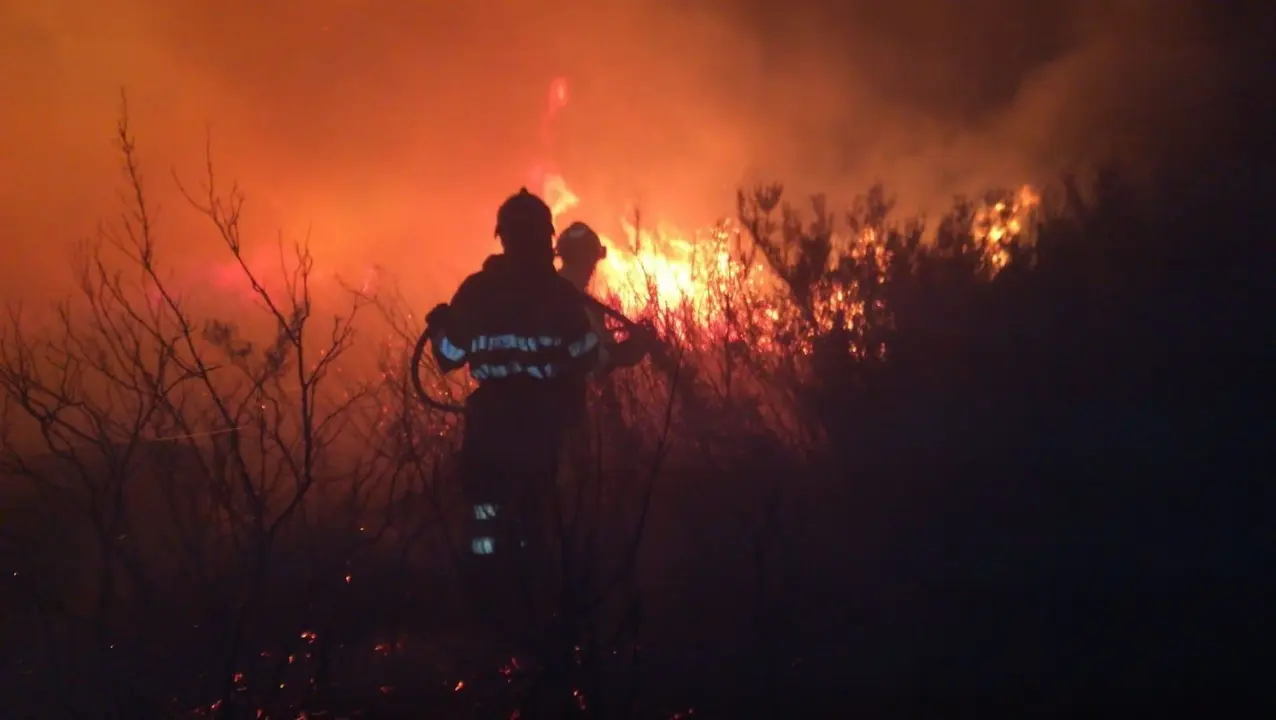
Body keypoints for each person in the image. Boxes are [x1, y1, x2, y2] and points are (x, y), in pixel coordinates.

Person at [424, 189, 606, 588]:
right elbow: (586, 357)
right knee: (535, 510)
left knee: (485, 508)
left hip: (490, 421)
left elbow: (449, 355)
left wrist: (440, 324)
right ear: (545, 238)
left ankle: (483, 589)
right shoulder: (559, 295)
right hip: (542, 422)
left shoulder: (478, 290)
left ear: (503, 237)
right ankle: (533, 591)